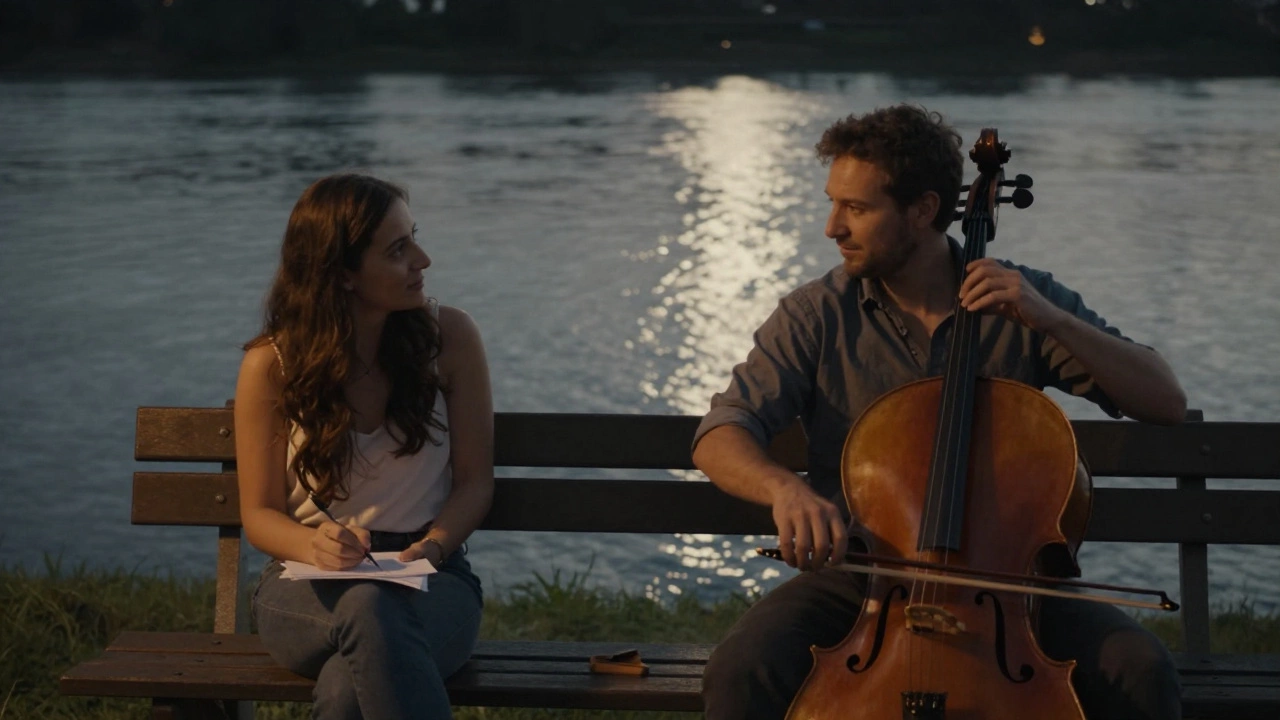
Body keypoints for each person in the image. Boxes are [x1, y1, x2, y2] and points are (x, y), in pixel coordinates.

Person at [692, 105, 1188, 720]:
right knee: (744, 669)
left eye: (857, 208)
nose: (832, 227)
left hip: (1012, 586)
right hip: (864, 580)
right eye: (833, 202)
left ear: (924, 210)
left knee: (1139, 670)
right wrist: (783, 491)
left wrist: (1051, 319)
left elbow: (1165, 401)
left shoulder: (1023, 302)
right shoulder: (817, 314)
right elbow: (722, 430)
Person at [234, 173, 493, 719]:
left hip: (434, 578)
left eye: (414, 238)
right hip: (303, 584)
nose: (422, 259)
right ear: (344, 273)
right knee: (368, 607)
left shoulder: (452, 339)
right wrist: (315, 548)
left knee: (346, 690)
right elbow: (259, 515)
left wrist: (434, 547)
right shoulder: (272, 365)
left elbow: (475, 484)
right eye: (399, 250)